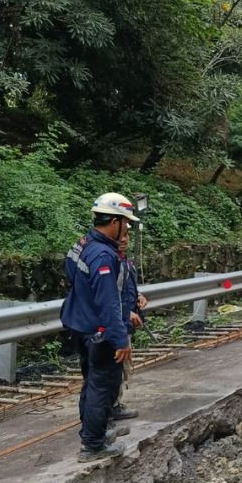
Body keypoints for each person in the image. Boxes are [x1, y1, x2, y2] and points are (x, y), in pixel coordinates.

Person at [61, 193, 137, 462]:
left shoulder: (83, 243)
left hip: (81, 325)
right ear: (114, 222)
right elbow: (108, 303)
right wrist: (120, 340)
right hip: (100, 330)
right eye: (125, 225)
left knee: (91, 382)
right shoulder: (104, 256)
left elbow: (70, 272)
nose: (127, 230)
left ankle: (93, 432)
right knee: (103, 384)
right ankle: (93, 445)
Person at [112, 234, 146, 422]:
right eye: (120, 236)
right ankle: (110, 409)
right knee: (115, 366)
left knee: (123, 367)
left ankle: (115, 404)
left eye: (127, 236)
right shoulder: (110, 262)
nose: (124, 240)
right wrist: (126, 314)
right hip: (116, 324)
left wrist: (138, 296)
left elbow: (125, 288)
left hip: (124, 323)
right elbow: (109, 296)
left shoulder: (126, 261)